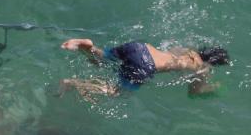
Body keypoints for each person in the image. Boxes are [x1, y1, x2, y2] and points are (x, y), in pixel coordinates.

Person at [59, 38, 229, 101]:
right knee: (116, 92)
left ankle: (87, 46)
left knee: (105, 57)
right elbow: (194, 93)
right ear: (213, 63)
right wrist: (215, 89)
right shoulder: (202, 67)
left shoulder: (187, 50)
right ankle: (74, 83)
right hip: (145, 66)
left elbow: (169, 49)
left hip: (140, 47)